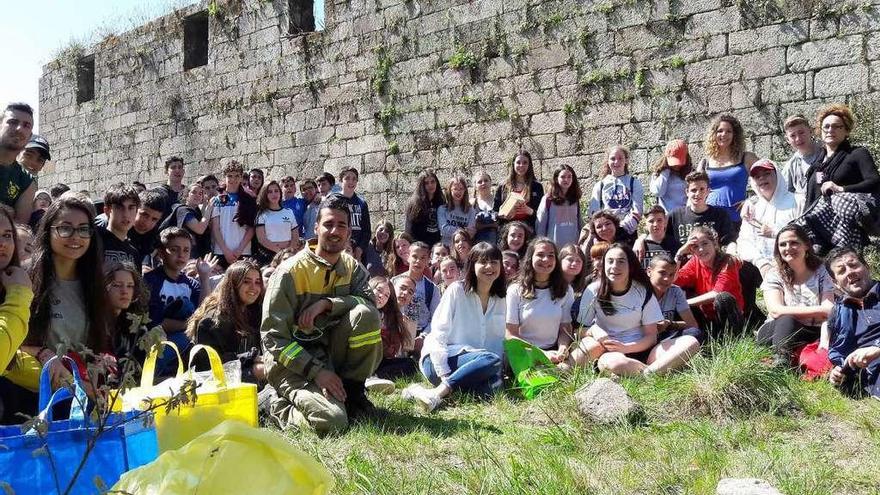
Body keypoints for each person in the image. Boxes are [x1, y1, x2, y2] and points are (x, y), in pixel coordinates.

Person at [262, 194, 383, 434]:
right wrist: (317, 372)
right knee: (333, 422)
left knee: (366, 314)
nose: (335, 231)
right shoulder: (289, 273)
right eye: (328, 224)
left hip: (330, 356)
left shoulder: (352, 268)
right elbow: (273, 339)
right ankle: (271, 403)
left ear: (349, 233)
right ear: (315, 227)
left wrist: (329, 304)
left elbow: (370, 303)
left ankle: (353, 393)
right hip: (293, 366)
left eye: (342, 225)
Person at [22, 193, 109, 398]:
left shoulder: (94, 284)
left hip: (80, 400)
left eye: (83, 229)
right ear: (48, 231)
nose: (75, 237)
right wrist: (43, 353)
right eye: (65, 228)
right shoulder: (25, 278)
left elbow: (98, 344)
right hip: (31, 398)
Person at [403, 242, 506, 412]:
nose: (489, 266)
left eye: (494, 262)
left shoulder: (501, 299)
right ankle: (439, 392)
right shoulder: (457, 291)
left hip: (476, 366)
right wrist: (444, 373)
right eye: (483, 262)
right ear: (472, 266)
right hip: (440, 360)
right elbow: (438, 333)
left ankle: (417, 392)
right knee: (491, 359)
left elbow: (499, 340)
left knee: (494, 387)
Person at [568, 244, 664, 376]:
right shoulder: (592, 290)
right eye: (610, 261)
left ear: (630, 266)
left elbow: (651, 336)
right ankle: (562, 370)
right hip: (604, 348)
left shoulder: (643, 292)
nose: (614, 266)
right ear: (604, 265)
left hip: (636, 346)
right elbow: (580, 330)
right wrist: (594, 330)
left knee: (615, 364)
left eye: (621, 261)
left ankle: (648, 372)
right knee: (596, 351)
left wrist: (626, 347)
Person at [798, 103, 880, 253]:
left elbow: (874, 181)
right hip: (818, 231)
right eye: (827, 126)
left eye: (837, 126)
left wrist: (842, 189)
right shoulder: (816, 165)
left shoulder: (857, 154)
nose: (831, 130)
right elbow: (811, 202)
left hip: (845, 230)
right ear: (820, 131)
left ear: (846, 130)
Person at [757, 225, 834, 367]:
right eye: (782, 244)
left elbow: (829, 309)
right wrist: (821, 310)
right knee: (787, 319)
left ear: (806, 246)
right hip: (776, 330)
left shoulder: (822, 271)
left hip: (812, 331)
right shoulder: (774, 274)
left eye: (794, 243)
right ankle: (780, 361)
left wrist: (824, 312)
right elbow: (776, 310)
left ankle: (790, 361)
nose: (788, 248)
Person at [144, 228, 213, 371]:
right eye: (174, 250)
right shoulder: (151, 281)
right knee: (186, 308)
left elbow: (204, 313)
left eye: (186, 250)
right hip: (158, 339)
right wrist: (191, 325)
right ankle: (152, 369)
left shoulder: (191, 283)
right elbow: (157, 323)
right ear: (162, 253)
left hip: (183, 336)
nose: (181, 255)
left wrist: (204, 277)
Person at [188, 260, 265, 386]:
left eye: (257, 282)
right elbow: (210, 366)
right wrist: (253, 363)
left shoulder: (256, 311)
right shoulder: (212, 321)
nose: (254, 287)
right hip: (216, 383)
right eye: (246, 281)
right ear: (232, 284)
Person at [505, 238, 574, 363]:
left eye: (551, 255)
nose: (546, 260)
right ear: (530, 258)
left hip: (554, 352)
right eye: (540, 255)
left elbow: (565, 328)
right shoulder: (515, 290)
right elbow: (511, 335)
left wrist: (563, 348)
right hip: (524, 352)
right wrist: (542, 354)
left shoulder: (566, 290)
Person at [824, 247, 880, 397]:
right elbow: (839, 351)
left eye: (854, 265)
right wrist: (838, 371)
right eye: (842, 271)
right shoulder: (838, 313)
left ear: (867, 267)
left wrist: (877, 348)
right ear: (835, 283)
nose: (849, 272)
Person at [674, 226, 744, 336]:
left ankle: (733, 340)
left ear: (714, 243)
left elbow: (717, 293)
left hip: (730, 317)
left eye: (705, 243)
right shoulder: (695, 261)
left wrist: (685, 303)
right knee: (675, 293)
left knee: (723, 299)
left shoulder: (728, 261)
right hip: (707, 317)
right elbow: (673, 281)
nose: (701, 249)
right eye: (695, 247)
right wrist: (679, 253)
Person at [695, 114, 759, 234]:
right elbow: (694, 191)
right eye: (720, 131)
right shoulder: (705, 163)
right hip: (710, 220)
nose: (724, 135)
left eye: (729, 131)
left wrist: (753, 200)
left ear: (735, 135)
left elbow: (769, 181)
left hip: (738, 219)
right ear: (714, 134)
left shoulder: (746, 158)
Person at [738, 159, 799, 277]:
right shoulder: (752, 206)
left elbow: (805, 236)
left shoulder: (797, 201)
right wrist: (762, 263)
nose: (762, 179)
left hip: (791, 262)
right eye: (757, 176)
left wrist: (775, 233)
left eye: (767, 174)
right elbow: (744, 241)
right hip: (760, 266)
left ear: (777, 176)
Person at [364, 276, 417, 393]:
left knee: (410, 364)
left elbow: (402, 350)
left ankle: (376, 378)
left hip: (382, 360)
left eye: (410, 292)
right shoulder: (369, 310)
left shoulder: (402, 318)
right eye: (402, 288)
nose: (405, 294)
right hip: (365, 358)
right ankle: (369, 377)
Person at [661, 171, 735, 252]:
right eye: (693, 190)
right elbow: (661, 238)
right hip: (684, 262)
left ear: (708, 191)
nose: (698, 194)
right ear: (687, 192)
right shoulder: (675, 216)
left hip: (712, 262)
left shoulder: (720, 215)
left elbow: (728, 242)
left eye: (702, 189)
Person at [589, 145, 643, 241]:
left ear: (626, 160)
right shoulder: (600, 185)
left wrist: (621, 228)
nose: (616, 162)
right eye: (613, 159)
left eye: (620, 158)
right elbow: (594, 213)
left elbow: (637, 210)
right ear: (608, 161)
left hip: (627, 233)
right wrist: (607, 228)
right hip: (605, 233)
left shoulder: (634, 183)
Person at [104, 261, 151, 372]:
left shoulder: (136, 326)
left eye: (130, 286)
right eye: (117, 285)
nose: (124, 291)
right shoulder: (94, 322)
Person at [210, 161, 256, 267]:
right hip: (221, 251)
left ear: (241, 177)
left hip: (243, 251)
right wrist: (226, 251)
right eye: (229, 176)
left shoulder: (249, 199)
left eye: (237, 176)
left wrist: (239, 250)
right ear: (224, 177)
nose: (233, 180)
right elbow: (215, 228)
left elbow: (251, 228)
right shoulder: (217, 200)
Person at [392, 241, 441, 337]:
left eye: (423, 258)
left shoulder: (432, 289)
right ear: (408, 257)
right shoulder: (394, 282)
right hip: (397, 332)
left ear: (428, 260)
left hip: (421, 334)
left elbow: (436, 318)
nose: (418, 261)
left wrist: (423, 337)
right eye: (414, 256)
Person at [0, 103, 36, 224]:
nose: (19, 128)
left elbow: (18, 229)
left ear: (30, 136)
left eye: (26, 125)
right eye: (13, 122)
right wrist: (6, 211)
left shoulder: (26, 181)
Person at [781, 115, 822, 213]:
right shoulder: (791, 166)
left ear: (810, 131)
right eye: (792, 136)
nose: (798, 139)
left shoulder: (826, 153)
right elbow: (781, 193)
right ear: (787, 140)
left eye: (801, 132)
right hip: (803, 213)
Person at [494, 150, 544, 229]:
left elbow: (542, 214)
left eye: (525, 163)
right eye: (518, 162)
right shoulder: (503, 187)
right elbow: (494, 212)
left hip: (529, 229)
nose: (521, 165)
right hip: (507, 230)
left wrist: (529, 211)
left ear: (529, 165)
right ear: (513, 164)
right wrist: (501, 214)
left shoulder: (537, 186)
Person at [536, 164, 583, 247]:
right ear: (556, 179)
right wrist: (541, 244)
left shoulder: (575, 199)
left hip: (573, 246)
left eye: (569, 177)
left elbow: (579, 223)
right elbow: (541, 225)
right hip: (554, 247)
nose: (566, 179)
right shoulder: (548, 199)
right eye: (563, 177)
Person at [255, 180, 299, 265]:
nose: (274, 194)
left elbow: (295, 234)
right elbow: (262, 239)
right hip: (269, 255)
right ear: (265, 195)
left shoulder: (289, 212)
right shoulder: (262, 214)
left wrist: (289, 251)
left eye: (276, 191)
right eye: (270, 192)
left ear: (280, 192)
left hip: (288, 255)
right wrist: (280, 252)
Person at [168, 182, 214, 258]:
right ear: (186, 195)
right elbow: (200, 229)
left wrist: (206, 203)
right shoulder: (183, 210)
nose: (198, 195)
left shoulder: (196, 211)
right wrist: (209, 207)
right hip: (186, 253)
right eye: (194, 192)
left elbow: (201, 217)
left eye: (200, 193)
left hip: (195, 252)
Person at [650, 139, 692, 213]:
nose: (676, 165)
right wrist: (665, 170)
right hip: (667, 217)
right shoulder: (659, 174)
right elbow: (658, 192)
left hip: (684, 216)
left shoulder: (690, 173)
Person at [338, 167, 371, 261]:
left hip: (358, 251)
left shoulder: (362, 203)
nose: (351, 182)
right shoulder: (334, 201)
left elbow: (366, 230)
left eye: (354, 179)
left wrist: (360, 248)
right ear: (341, 180)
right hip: (340, 248)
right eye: (347, 178)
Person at [405, 169, 445, 246]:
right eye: (426, 183)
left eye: (433, 182)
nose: (430, 185)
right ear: (422, 186)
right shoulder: (415, 204)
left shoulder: (440, 202)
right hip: (420, 247)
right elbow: (410, 230)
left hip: (436, 246)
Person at [437, 175, 476, 247]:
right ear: (449, 191)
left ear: (465, 190)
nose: (458, 192)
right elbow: (444, 230)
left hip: (464, 248)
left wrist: (452, 229)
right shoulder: (442, 209)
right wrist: (464, 230)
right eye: (455, 189)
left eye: (461, 188)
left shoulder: (471, 210)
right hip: (447, 247)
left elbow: (471, 233)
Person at [472, 170, 498, 244]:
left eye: (486, 180)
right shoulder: (472, 203)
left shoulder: (498, 201)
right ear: (475, 186)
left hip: (497, 242)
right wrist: (492, 225)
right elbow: (473, 226)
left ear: (490, 183)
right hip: (478, 244)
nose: (483, 183)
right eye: (479, 182)